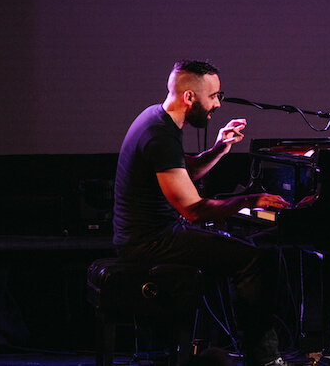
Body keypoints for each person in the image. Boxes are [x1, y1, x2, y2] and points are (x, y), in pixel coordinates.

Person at [113, 60, 290, 366]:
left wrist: (220, 148)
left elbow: (184, 171)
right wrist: (252, 199)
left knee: (243, 249)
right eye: (214, 96)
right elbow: (194, 211)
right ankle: (264, 359)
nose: (218, 104)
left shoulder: (157, 118)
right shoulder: (159, 134)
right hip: (148, 243)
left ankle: (244, 349)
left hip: (151, 235)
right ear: (190, 98)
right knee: (253, 259)